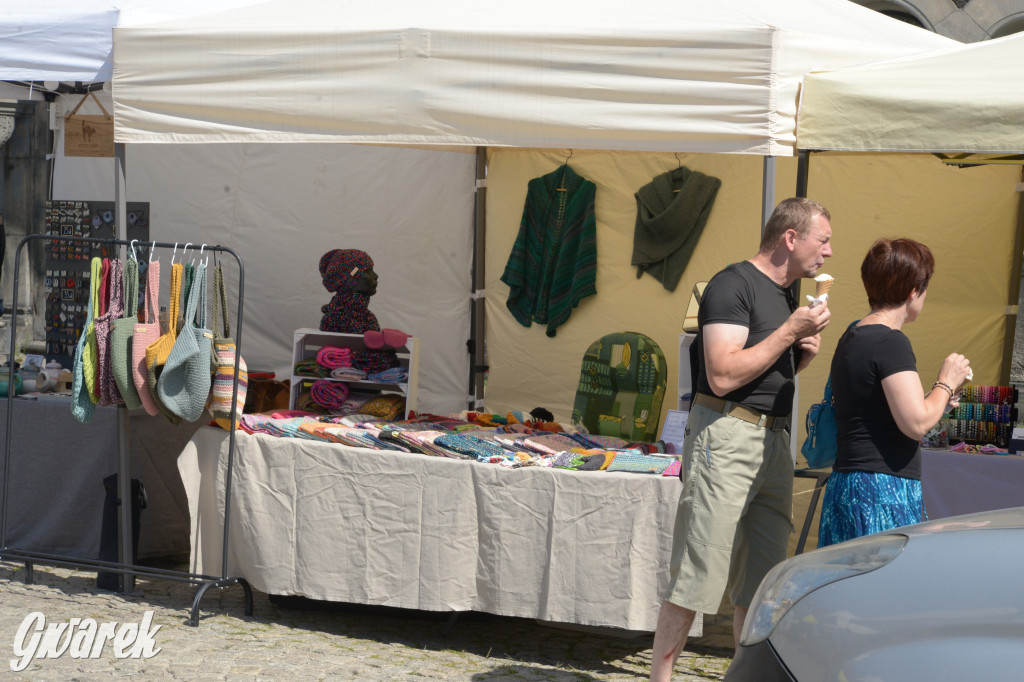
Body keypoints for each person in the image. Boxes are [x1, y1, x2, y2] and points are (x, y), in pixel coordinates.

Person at [650, 197, 833, 681]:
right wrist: (791, 332)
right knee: (698, 568)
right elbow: (724, 373)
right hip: (727, 434)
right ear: (790, 238)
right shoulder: (732, 285)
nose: (829, 253)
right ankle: (660, 677)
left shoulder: (787, 293)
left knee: (763, 580)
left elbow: (766, 374)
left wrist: (801, 353)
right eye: (823, 240)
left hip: (774, 439)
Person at [817, 238, 970, 547]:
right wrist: (946, 381)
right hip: (880, 489)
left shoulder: (854, 334)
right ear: (913, 290)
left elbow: (882, 414)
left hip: (850, 484)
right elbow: (915, 424)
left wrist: (942, 399)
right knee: (883, 587)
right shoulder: (890, 341)